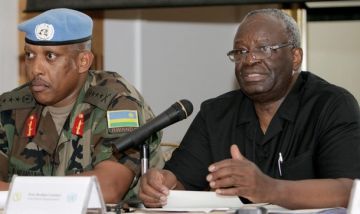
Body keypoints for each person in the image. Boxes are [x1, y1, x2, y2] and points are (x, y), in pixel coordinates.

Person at [138, 8, 360, 209]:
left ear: (295, 57)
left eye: (264, 49)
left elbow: (349, 190)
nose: (250, 59)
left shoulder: (331, 105)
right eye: (240, 52)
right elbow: (180, 182)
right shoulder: (215, 114)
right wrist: (161, 186)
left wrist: (269, 189)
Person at [0, 8, 164, 203]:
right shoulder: (11, 107)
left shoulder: (117, 102)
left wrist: (20, 194)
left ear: (83, 61)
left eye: (50, 56)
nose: (36, 69)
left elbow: (108, 189)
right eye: (30, 55)